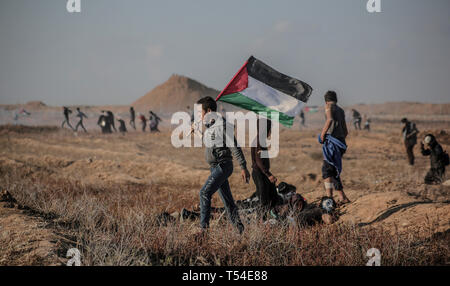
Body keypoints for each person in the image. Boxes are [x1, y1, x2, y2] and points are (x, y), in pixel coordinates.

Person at [196, 96, 250, 234]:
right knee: (228, 202)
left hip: (223, 166)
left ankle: (203, 230)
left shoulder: (223, 125)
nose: (199, 115)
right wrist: (197, 132)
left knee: (204, 193)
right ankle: (240, 231)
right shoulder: (210, 127)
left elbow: (234, 146)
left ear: (208, 111)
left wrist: (243, 167)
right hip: (214, 167)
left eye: (200, 112)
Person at [319, 91, 350, 205]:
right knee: (333, 169)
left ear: (326, 100)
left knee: (327, 170)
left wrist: (322, 135)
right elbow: (345, 130)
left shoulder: (328, 106)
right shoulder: (340, 110)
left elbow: (330, 119)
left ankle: (329, 198)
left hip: (333, 143)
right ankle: (342, 197)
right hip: (341, 143)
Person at [251, 118, 281, 219]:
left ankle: (273, 218)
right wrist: (268, 174)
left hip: (262, 173)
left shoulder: (259, 139)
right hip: (260, 174)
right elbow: (258, 161)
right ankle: (261, 223)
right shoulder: (260, 141)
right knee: (263, 200)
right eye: (270, 129)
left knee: (273, 197)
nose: (270, 132)